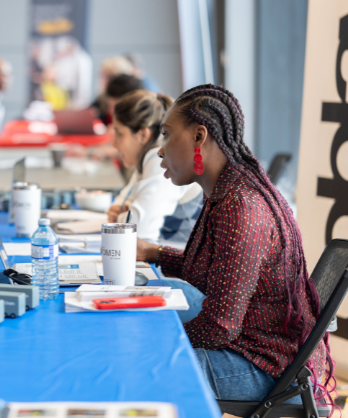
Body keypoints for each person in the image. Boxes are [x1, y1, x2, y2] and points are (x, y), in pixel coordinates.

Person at [135, 84, 333, 403]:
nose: (160, 149)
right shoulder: (225, 190)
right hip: (250, 340)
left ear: (200, 136)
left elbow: (219, 327)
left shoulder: (240, 206)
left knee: (147, 362)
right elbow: (203, 271)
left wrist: (159, 338)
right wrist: (151, 251)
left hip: (266, 365)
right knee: (157, 296)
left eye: (167, 134)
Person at [106, 90, 201, 244]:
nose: (114, 144)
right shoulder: (147, 156)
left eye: (119, 133)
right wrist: (123, 211)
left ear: (143, 135)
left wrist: (121, 216)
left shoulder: (159, 160)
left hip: (176, 261)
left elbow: (139, 231)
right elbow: (122, 201)